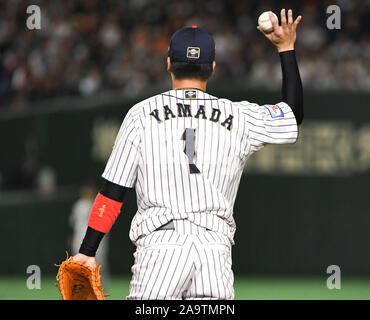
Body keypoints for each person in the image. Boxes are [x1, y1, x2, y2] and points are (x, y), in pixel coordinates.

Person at [72, 9, 303, 299]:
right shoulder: (239, 116)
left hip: (160, 248)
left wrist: (87, 251)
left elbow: (112, 193)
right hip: (214, 251)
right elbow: (292, 115)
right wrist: (286, 48)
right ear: (213, 67)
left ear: (169, 63)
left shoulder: (141, 114)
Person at [69, 184, 110, 283]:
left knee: (98, 264)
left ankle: (99, 286)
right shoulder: (79, 205)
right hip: (80, 238)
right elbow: (72, 224)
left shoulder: (100, 205)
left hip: (98, 240)